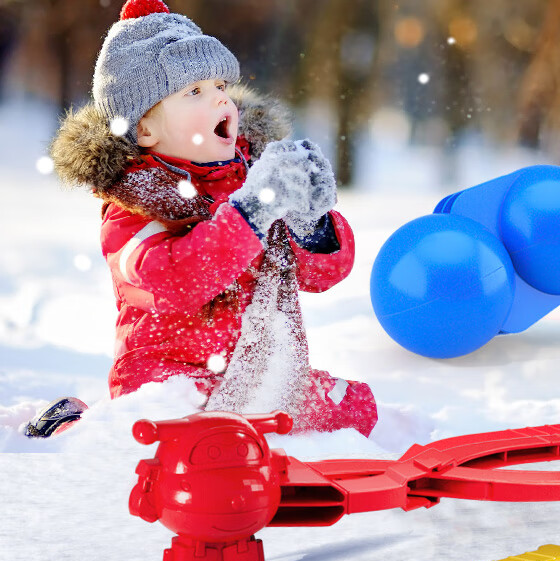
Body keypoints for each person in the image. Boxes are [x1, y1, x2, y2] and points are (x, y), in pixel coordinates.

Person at [35, 0, 377, 438]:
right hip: (171, 382)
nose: (220, 98)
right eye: (193, 91)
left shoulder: (254, 179)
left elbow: (321, 275)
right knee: (193, 429)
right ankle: (82, 427)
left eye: (219, 84)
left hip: (259, 378)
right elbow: (176, 279)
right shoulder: (131, 209)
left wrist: (310, 222)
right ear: (144, 130)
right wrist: (253, 211)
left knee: (355, 410)